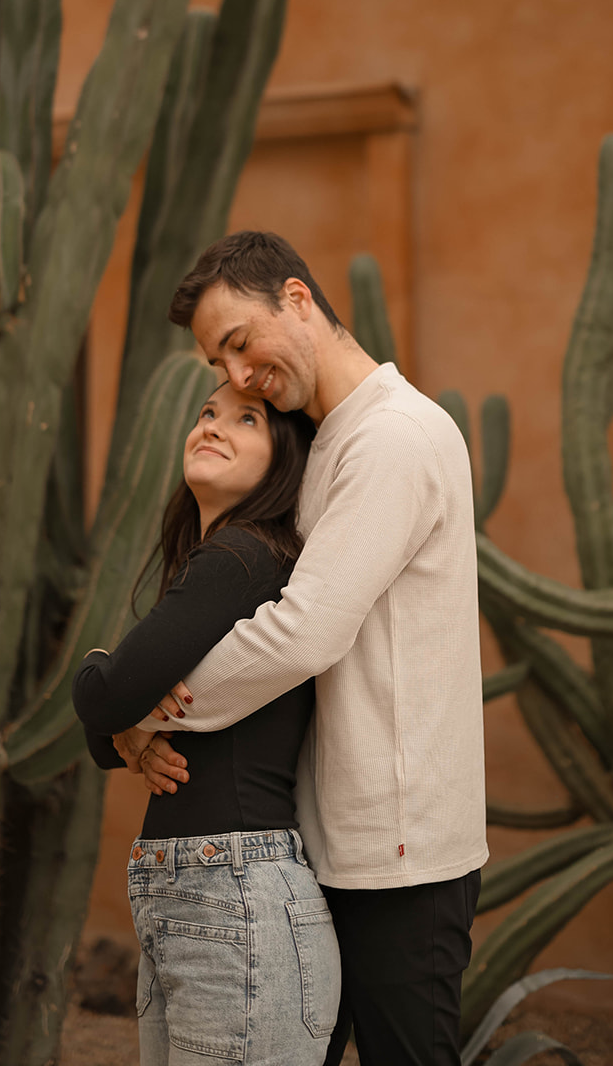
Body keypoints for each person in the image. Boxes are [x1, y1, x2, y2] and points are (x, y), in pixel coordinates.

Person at [113, 231, 487, 1066]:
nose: (238, 377)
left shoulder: (391, 438)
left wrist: (146, 706)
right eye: (220, 363)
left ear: (296, 297)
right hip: (318, 843)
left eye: (241, 343)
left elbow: (302, 631)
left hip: (398, 855)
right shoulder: (323, 443)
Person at [72, 381, 340, 1066]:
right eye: (206, 413)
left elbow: (104, 697)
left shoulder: (241, 558)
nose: (212, 427)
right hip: (203, 893)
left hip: (233, 893)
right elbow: (111, 728)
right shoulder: (223, 565)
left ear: (283, 460)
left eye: (244, 419)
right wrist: (124, 727)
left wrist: (107, 687)